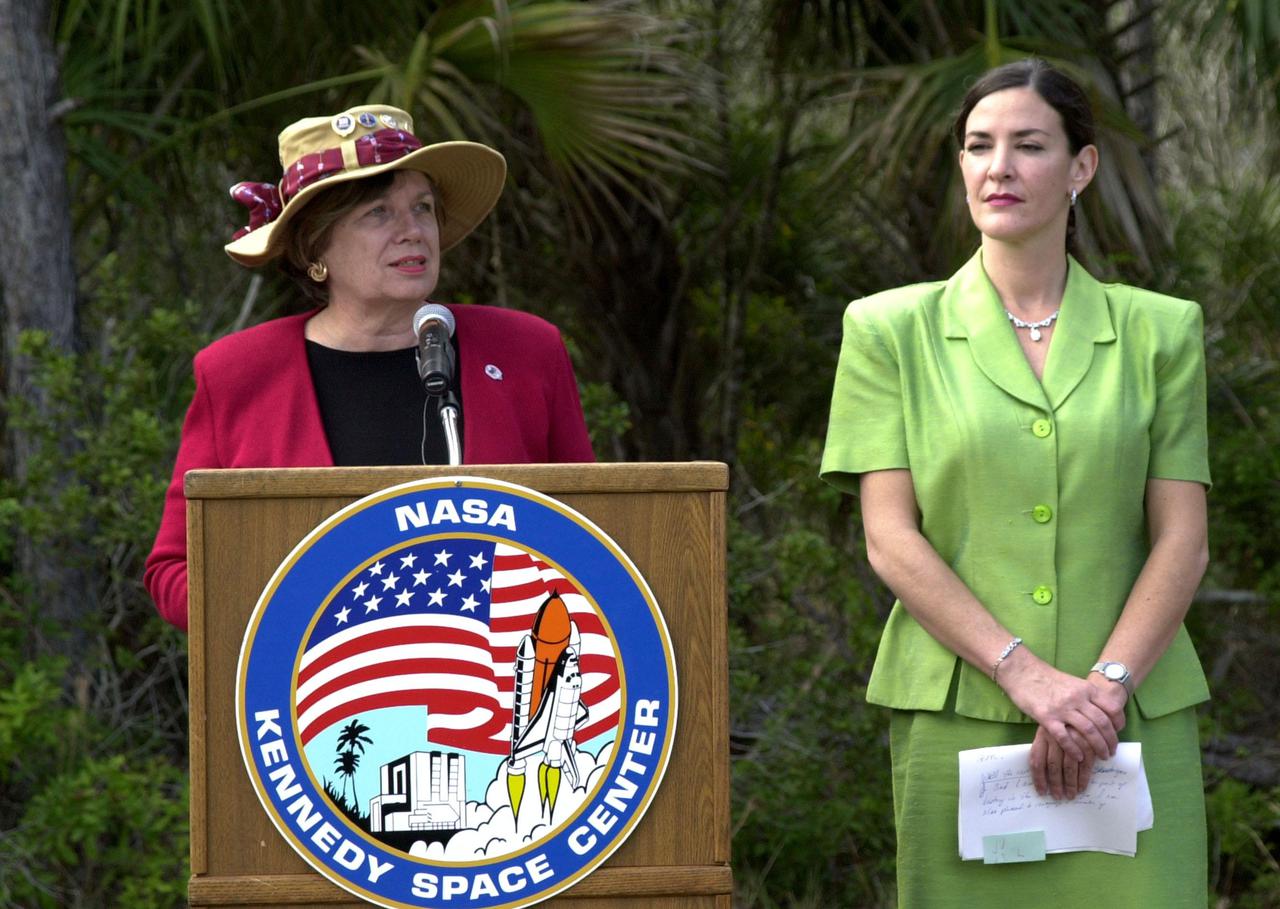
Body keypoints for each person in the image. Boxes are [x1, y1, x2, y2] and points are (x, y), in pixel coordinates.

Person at [820, 59, 1211, 906]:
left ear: (1081, 169)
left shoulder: (1163, 333)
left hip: (1131, 719)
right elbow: (889, 535)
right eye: (978, 145)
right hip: (961, 712)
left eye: (1029, 145)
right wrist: (1025, 674)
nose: (998, 166)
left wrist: (1103, 691)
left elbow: (1183, 536)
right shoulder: (887, 329)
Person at [145, 105, 595, 631]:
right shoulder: (236, 373)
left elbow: (592, 529)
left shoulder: (525, 350)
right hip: (316, 693)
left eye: (422, 207)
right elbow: (173, 572)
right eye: (379, 213)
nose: (412, 231)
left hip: (494, 681)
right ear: (317, 248)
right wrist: (289, 601)